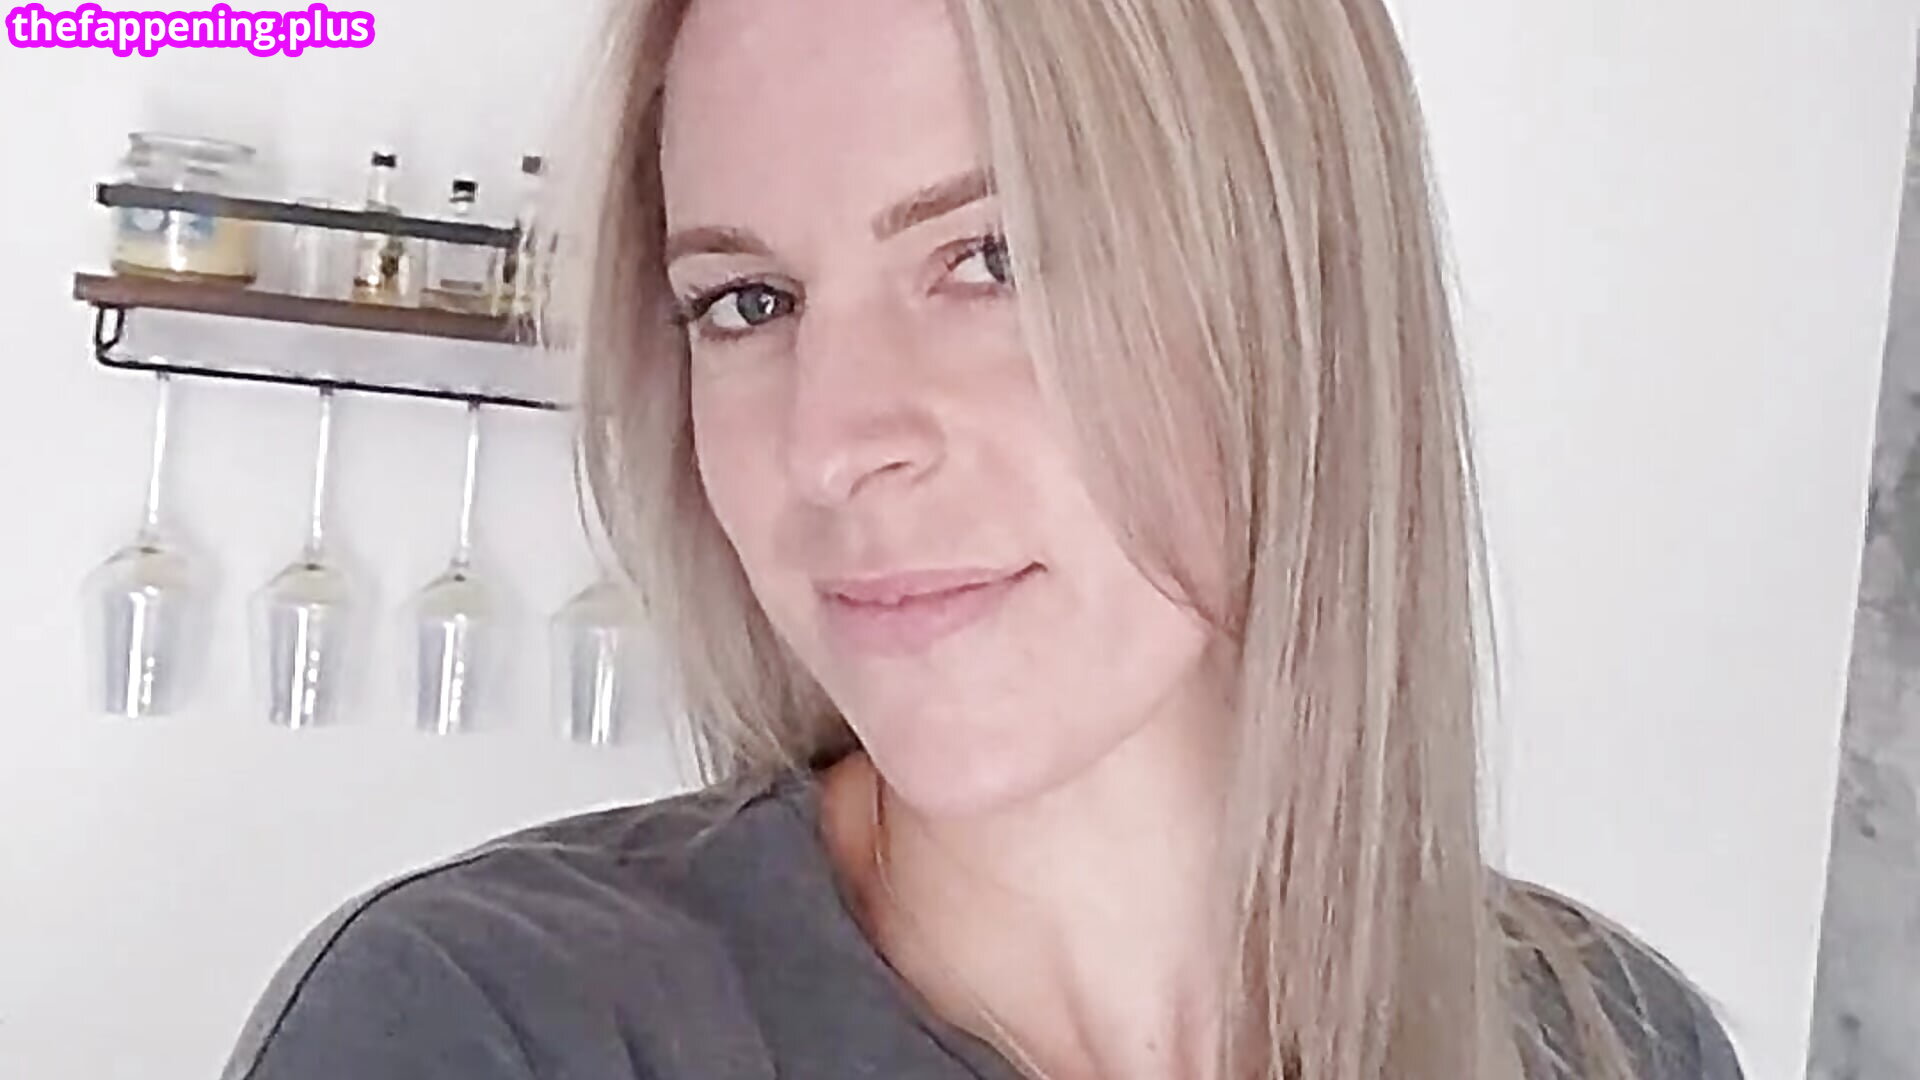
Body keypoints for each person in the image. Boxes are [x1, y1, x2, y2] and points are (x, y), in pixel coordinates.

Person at [219, 0, 1746, 1077]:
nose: (831, 442)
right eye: (746, 301)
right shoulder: (488, 1026)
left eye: (993, 258)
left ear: (1295, 290)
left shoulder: (1607, 1041)